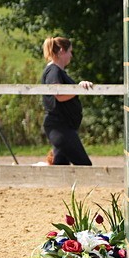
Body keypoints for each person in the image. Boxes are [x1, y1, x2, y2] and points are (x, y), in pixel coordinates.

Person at [41, 36, 94, 166]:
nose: (71, 55)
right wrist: (79, 89)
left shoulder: (58, 71)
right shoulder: (53, 70)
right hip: (60, 127)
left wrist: (79, 86)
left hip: (63, 126)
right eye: (70, 51)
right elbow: (58, 94)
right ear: (61, 51)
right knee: (85, 166)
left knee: (60, 165)